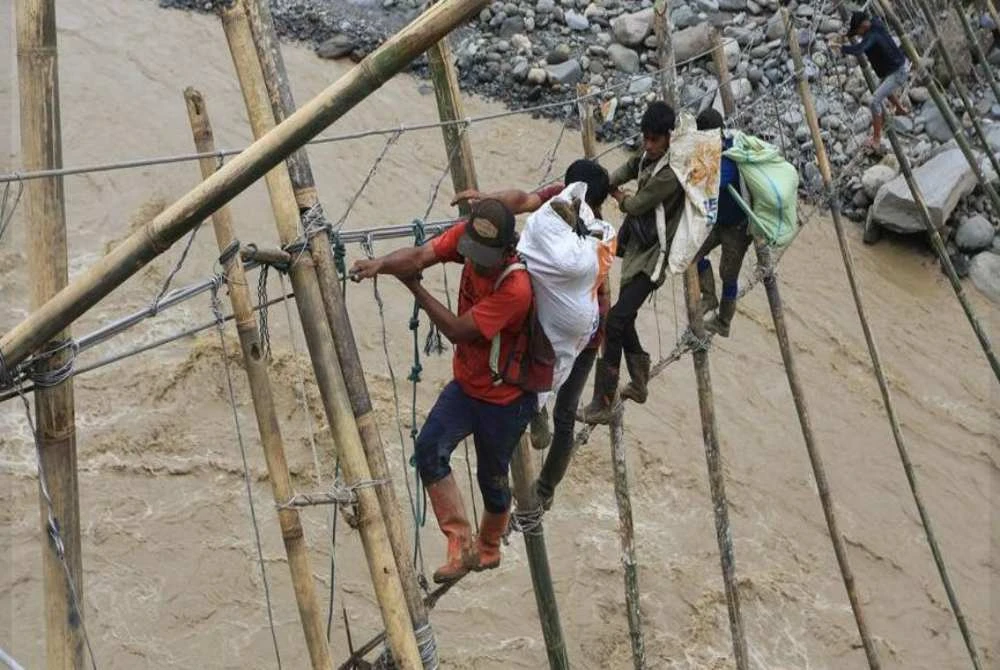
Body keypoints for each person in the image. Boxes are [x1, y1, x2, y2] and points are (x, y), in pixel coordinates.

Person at [350, 199, 536, 584]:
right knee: (429, 450)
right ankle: (458, 542)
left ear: (507, 250)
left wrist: (414, 288)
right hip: (468, 385)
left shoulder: (516, 288)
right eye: (472, 253)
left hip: (505, 398)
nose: (477, 262)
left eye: (486, 257)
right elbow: (419, 255)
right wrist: (381, 265)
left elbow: (456, 330)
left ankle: (488, 548)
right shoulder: (465, 240)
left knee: (493, 478)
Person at [453, 159, 613, 509]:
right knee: (561, 406)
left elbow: (525, 203)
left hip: (582, 334)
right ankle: (538, 427)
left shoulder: (594, 231)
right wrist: (489, 203)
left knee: (561, 409)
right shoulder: (561, 206)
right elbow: (523, 199)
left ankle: (543, 486)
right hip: (569, 329)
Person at [580, 101, 685, 425]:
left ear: (669, 138)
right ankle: (639, 383)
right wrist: (599, 185)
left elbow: (637, 204)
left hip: (655, 257)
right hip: (639, 247)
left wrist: (617, 196)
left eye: (655, 140)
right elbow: (624, 171)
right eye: (646, 139)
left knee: (615, 321)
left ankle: (604, 402)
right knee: (622, 318)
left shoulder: (669, 174)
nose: (648, 146)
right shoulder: (647, 158)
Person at [693, 108, 751, 338]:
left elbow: (709, 185)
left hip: (737, 227)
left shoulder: (727, 160)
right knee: (693, 254)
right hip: (720, 220)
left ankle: (724, 321)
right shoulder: (715, 148)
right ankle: (709, 296)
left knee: (728, 273)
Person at [837, 10, 910, 150]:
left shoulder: (873, 36)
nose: (858, 35)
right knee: (883, 87)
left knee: (874, 100)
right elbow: (860, 37)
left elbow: (859, 49)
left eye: (858, 31)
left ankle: (877, 139)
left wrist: (841, 48)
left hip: (898, 72)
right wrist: (846, 35)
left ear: (863, 26)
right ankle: (900, 108)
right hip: (892, 69)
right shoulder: (876, 23)